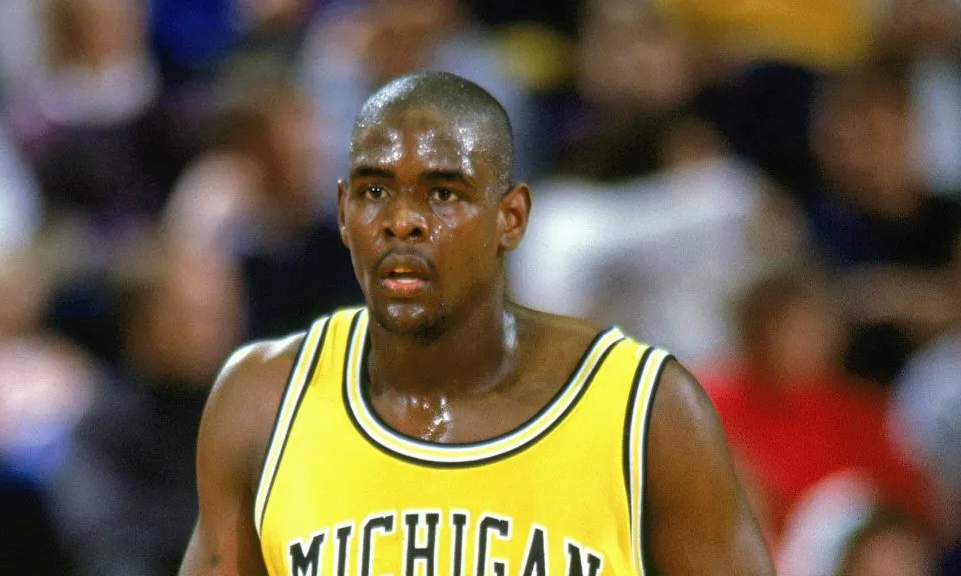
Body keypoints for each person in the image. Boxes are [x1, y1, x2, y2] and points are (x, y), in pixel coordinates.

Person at [179, 71, 774, 575]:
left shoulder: (650, 411)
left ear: (510, 218)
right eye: (375, 190)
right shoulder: (260, 401)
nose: (402, 221)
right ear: (341, 213)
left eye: (443, 193)